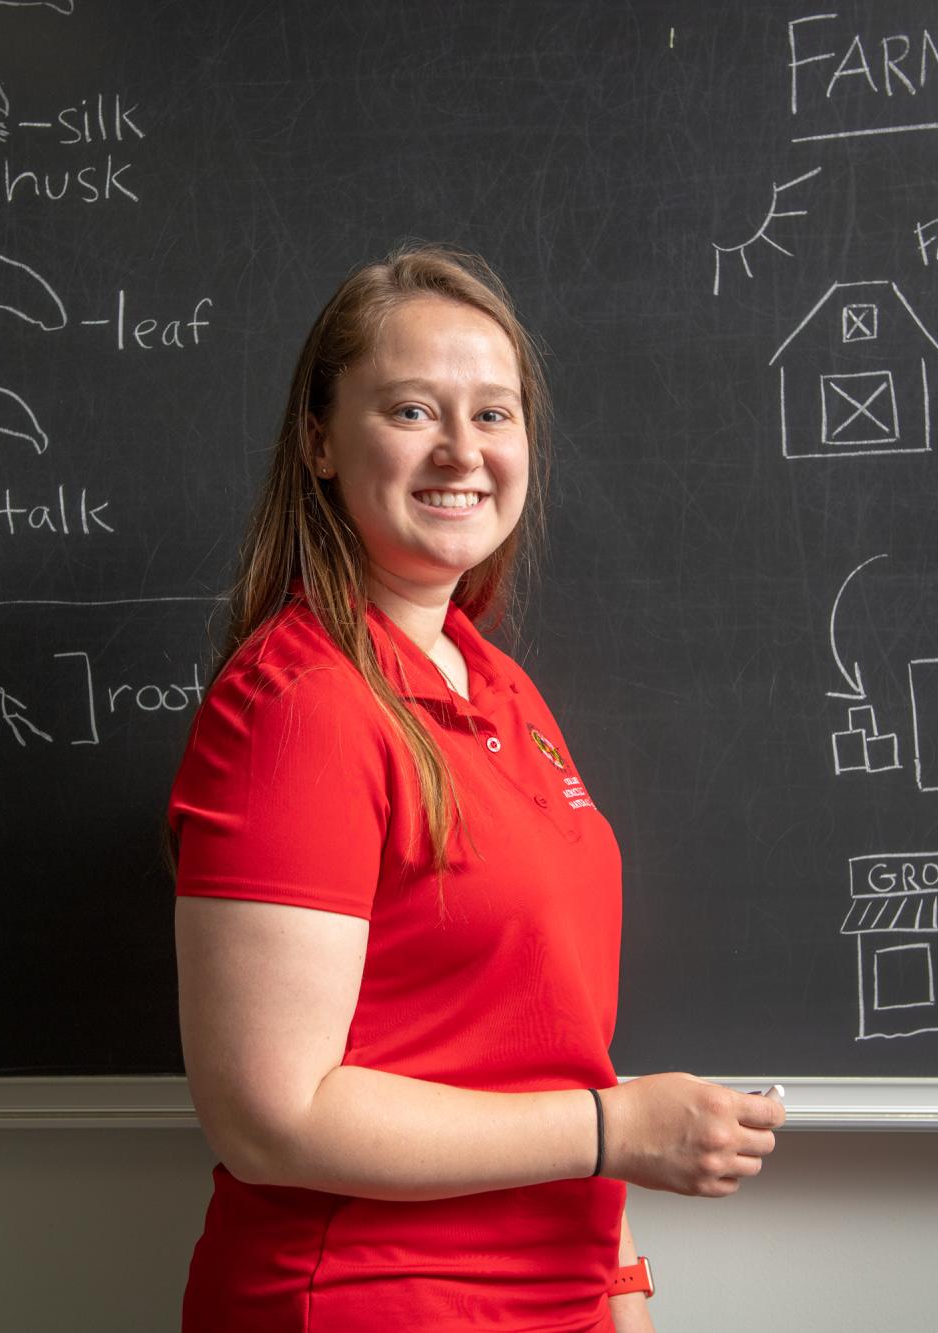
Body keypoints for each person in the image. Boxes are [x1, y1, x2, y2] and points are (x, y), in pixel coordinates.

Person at [168, 244, 784, 1332]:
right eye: (411, 410)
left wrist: (620, 1291)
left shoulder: (501, 691)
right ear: (318, 439)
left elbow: (551, 1052)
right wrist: (613, 1131)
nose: (462, 450)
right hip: (374, 1303)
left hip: (555, 1303)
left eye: (494, 415)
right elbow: (269, 1114)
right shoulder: (298, 705)